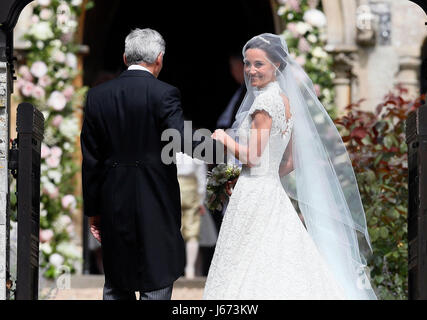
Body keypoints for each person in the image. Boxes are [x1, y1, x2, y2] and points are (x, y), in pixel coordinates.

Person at [204, 33, 377, 299]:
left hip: (255, 195)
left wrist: (224, 138)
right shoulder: (286, 101)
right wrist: (264, 175)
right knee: (275, 258)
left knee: (247, 261)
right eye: (247, 64)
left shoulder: (263, 103)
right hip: (271, 190)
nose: (251, 70)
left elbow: (254, 157)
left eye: (258, 64)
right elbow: (291, 160)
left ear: (277, 66)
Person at [80, 28, 223, 300]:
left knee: (117, 281)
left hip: (113, 200)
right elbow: (179, 138)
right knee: (156, 278)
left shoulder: (97, 97)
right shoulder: (164, 93)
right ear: (159, 59)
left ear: (125, 57)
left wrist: (94, 210)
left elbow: (91, 158)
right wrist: (222, 149)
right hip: (155, 198)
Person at [176, 151, 207, 279]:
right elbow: (201, 177)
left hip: (176, 188)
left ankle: (186, 268)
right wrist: (201, 199)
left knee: (176, 230)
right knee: (192, 232)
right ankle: (189, 268)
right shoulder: (195, 150)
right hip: (189, 191)